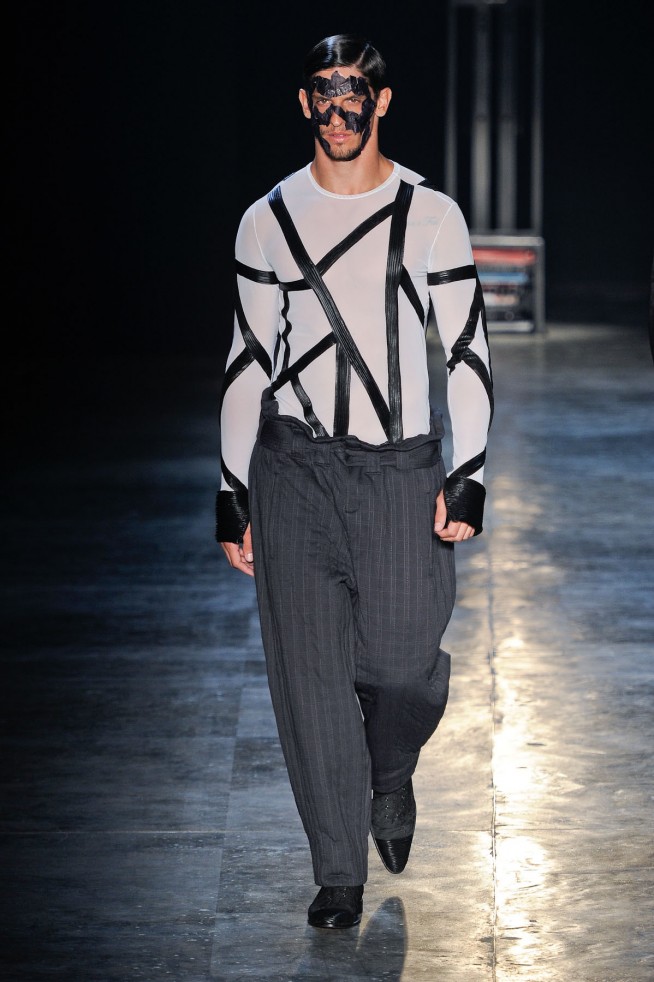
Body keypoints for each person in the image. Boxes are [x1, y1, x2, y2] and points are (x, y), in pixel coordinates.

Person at [216, 34, 493, 929]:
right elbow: (248, 358)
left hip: (399, 471)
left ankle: (391, 771)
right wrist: (232, 489)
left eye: (353, 94)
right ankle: (338, 872)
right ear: (305, 102)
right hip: (293, 470)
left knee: (403, 666)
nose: (338, 112)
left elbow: (465, 351)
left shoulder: (432, 214)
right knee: (310, 678)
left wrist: (468, 473)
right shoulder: (266, 219)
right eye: (323, 94)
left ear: (382, 101)